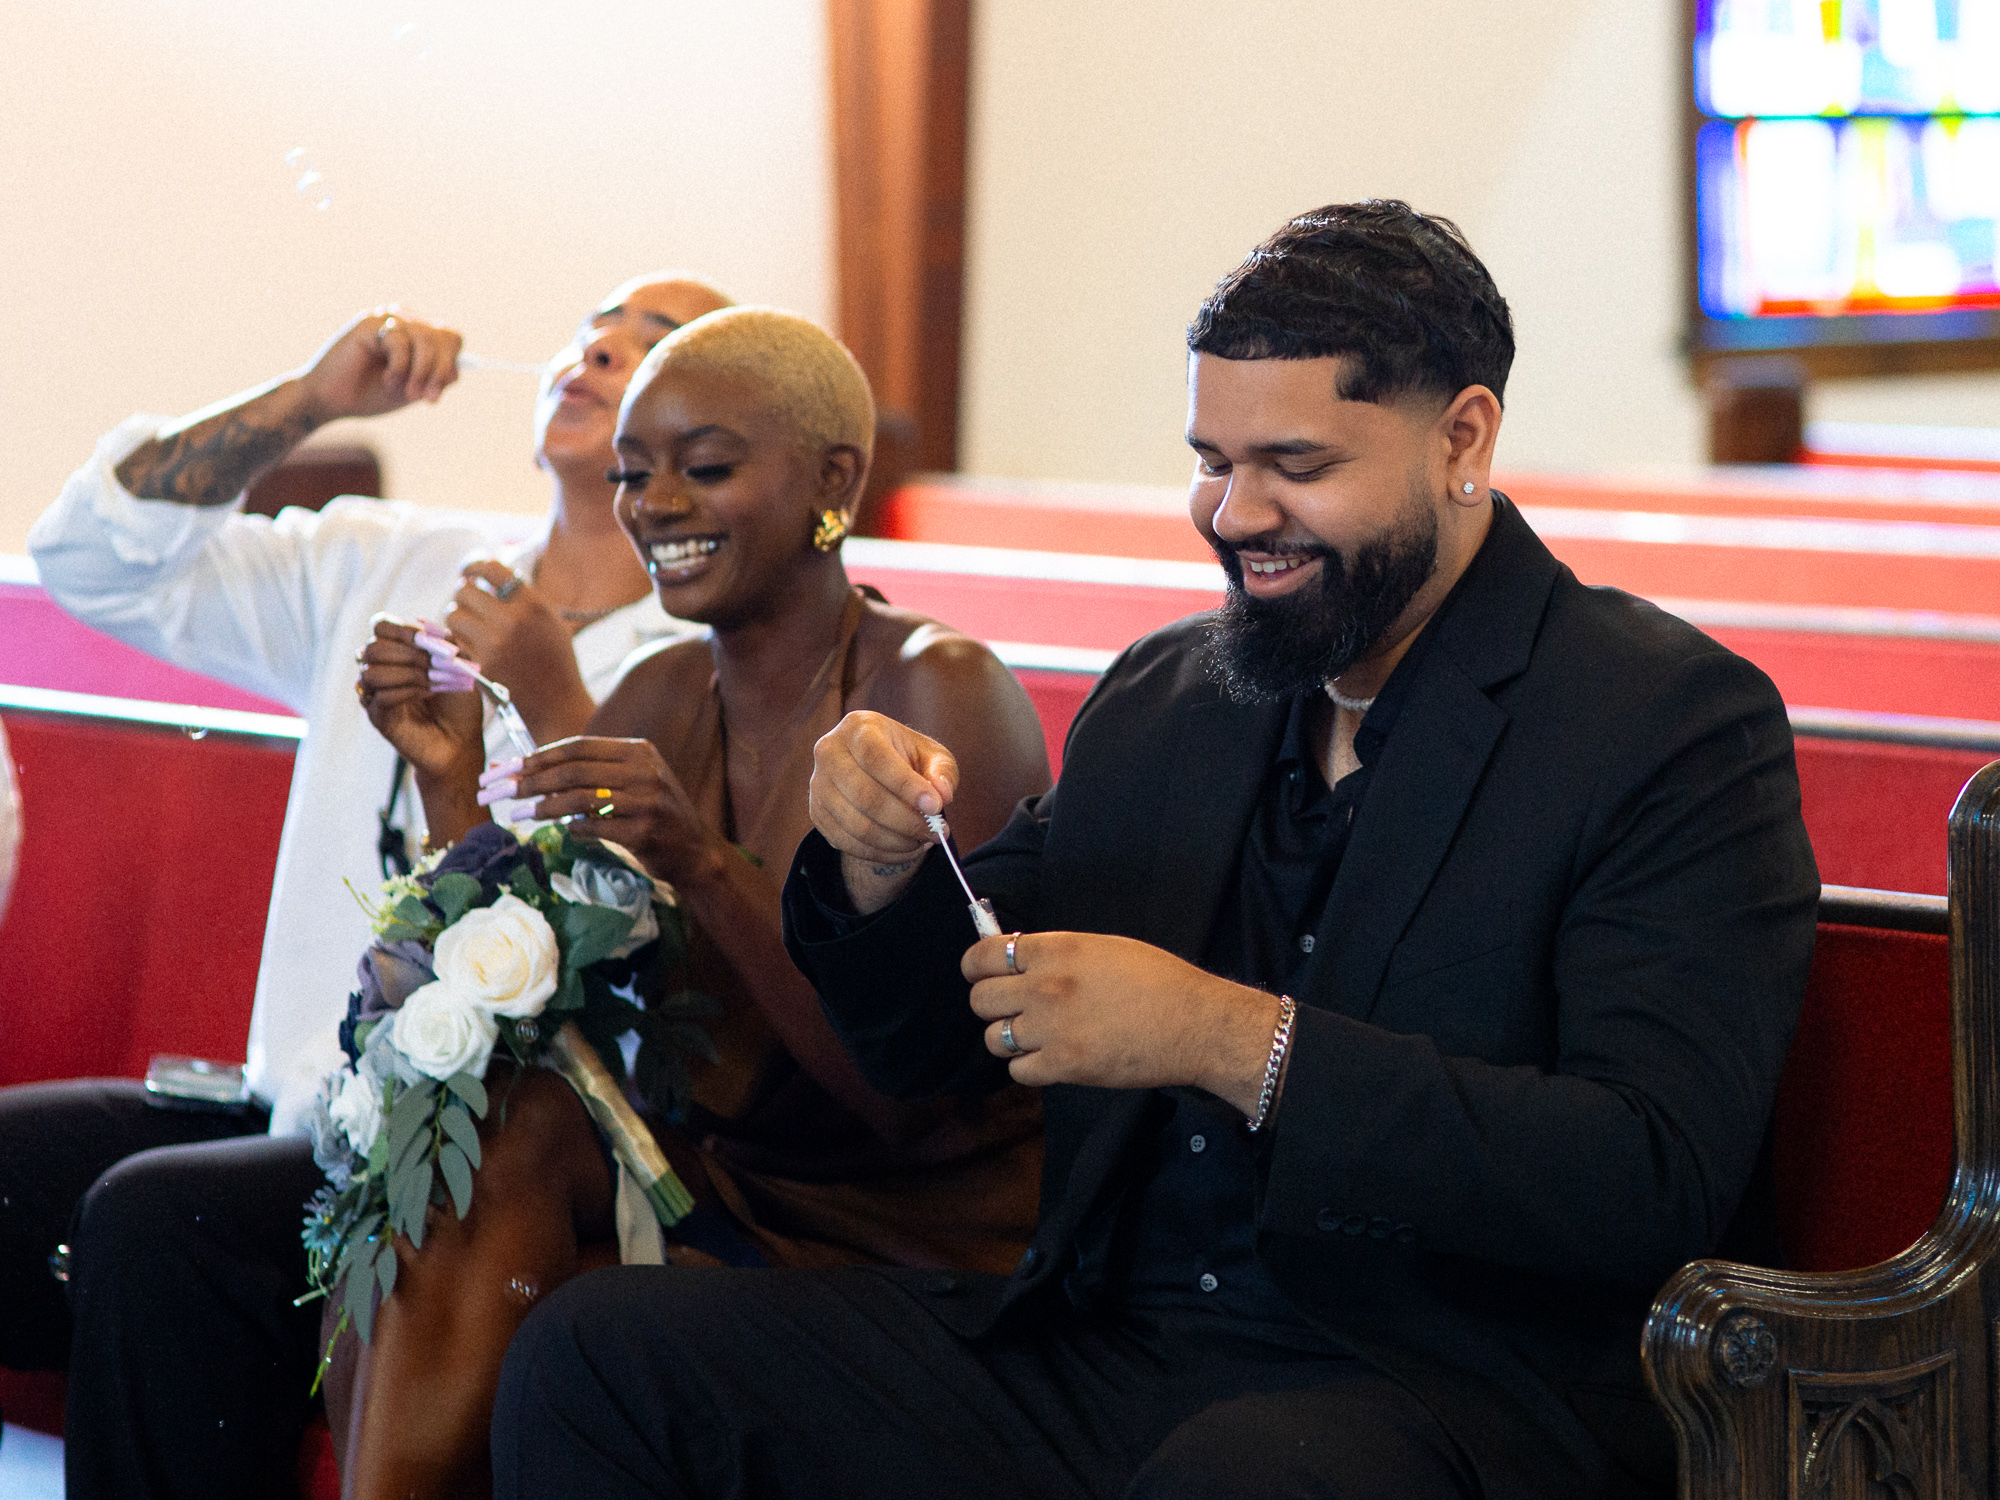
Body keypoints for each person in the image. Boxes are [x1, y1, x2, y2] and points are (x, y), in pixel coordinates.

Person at [489, 203, 1823, 1500]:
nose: (1233, 515)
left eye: (1295, 468)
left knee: (1247, 1474)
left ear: (1463, 436)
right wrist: (875, 870)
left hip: (1454, 1393)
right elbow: (927, 1055)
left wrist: (1236, 1043)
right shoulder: (1174, 698)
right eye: (1211, 460)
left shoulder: (1664, 722)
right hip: (1119, 1357)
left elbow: (1645, 1175)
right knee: (604, 1356)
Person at [2, 272, 729, 1500]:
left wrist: (553, 691)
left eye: (648, 346)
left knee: (157, 1224)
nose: (599, 348)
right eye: (591, 330)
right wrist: (306, 403)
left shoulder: (702, 659)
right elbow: (88, 562)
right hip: (293, 1105)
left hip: (489, 1172)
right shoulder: (400, 562)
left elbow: (662, 944)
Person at [335, 303, 1052, 1499]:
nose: (652, 503)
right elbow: (548, 996)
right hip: (729, 1186)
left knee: (492, 1209)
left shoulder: (940, 689)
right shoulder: (660, 689)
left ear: (834, 480)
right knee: (469, 1143)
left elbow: (912, 1102)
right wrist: (448, 781)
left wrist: (707, 865)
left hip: (910, 1237)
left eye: (703, 468)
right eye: (632, 473)